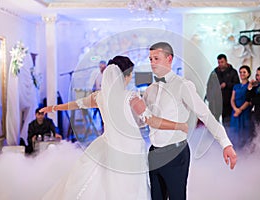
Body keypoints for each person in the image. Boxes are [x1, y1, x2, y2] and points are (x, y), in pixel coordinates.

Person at [40, 56, 188, 200]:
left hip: (108, 144)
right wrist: (178, 125)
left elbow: (77, 104)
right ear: (126, 75)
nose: (131, 78)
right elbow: (151, 120)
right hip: (130, 148)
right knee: (131, 186)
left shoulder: (100, 96)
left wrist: (53, 107)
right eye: (131, 74)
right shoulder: (131, 97)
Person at [141, 42, 237, 200]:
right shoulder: (150, 89)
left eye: (156, 58)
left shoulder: (182, 85)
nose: (152, 62)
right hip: (154, 152)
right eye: (150, 59)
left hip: (175, 152)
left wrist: (226, 143)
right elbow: (145, 119)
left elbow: (206, 115)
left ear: (169, 59)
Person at [207, 54, 239, 125]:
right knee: (214, 122)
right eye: (219, 62)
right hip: (215, 102)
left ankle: (228, 135)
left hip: (228, 102)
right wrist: (209, 97)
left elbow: (237, 85)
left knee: (227, 122)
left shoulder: (233, 72)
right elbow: (209, 86)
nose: (220, 64)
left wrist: (226, 84)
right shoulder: (214, 73)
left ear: (226, 61)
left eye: (222, 62)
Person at [230, 65, 252, 147]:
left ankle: (245, 150)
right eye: (241, 72)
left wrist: (240, 110)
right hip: (235, 111)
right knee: (235, 131)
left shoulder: (251, 85)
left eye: (244, 72)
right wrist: (236, 109)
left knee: (245, 131)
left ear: (248, 74)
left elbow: (249, 100)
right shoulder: (236, 86)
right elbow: (232, 99)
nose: (242, 74)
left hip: (245, 111)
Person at [92, 60, 107, 126]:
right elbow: (95, 86)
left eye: (103, 67)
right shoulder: (98, 76)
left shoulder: (107, 75)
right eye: (100, 67)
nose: (101, 68)